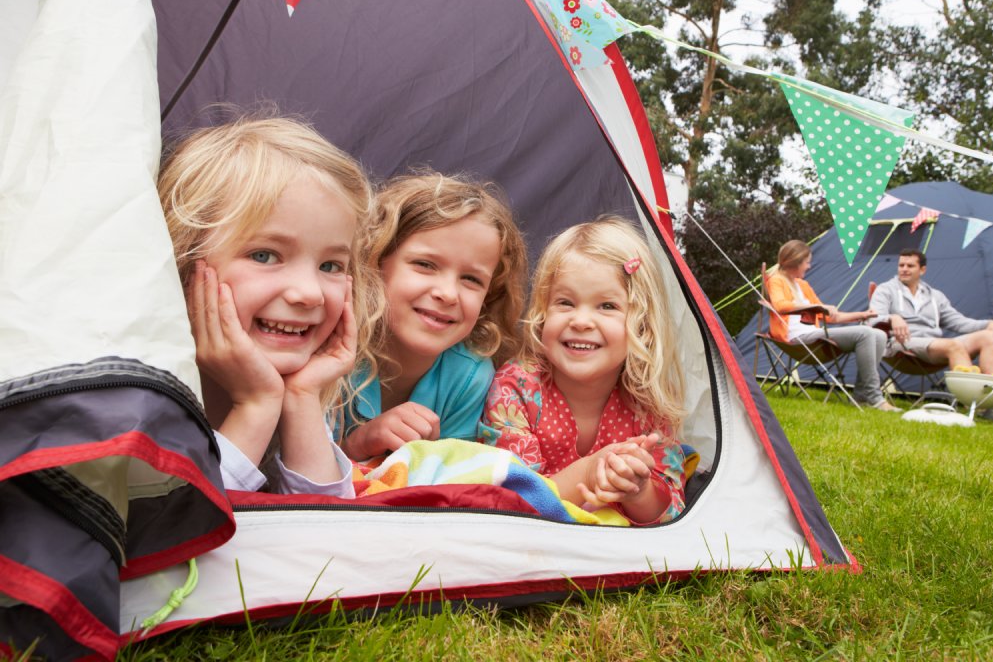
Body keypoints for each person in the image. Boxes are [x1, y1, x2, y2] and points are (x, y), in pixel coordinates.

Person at [159, 115, 379, 496]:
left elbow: (328, 541)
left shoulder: (301, 392)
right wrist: (255, 406)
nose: (308, 293)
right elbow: (174, 535)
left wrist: (303, 399)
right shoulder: (141, 405)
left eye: (330, 266)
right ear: (181, 263)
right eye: (265, 255)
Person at [477, 217, 696, 525]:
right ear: (542, 312)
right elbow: (512, 501)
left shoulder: (648, 402)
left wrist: (638, 490)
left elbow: (670, 513)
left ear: (642, 326)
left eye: (607, 306)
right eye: (565, 303)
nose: (581, 321)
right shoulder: (516, 389)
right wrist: (590, 472)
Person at [337, 173, 528, 461]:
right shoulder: (332, 348)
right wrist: (357, 446)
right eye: (425, 265)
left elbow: (448, 485)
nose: (448, 294)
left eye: (471, 279)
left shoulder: (470, 375)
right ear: (374, 262)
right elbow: (292, 475)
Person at [766, 240, 899, 412]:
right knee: (865, 334)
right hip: (796, 338)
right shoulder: (776, 280)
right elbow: (780, 306)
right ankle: (874, 397)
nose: (809, 266)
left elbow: (829, 317)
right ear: (796, 261)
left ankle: (861, 395)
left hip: (814, 334)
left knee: (878, 334)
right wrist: (816, 308)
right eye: (807, 262)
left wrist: (862, 315)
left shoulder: (803, 285)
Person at [869, 248, 993, 375]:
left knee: (990, 337)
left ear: (922, 270)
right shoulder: (885, 289)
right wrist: (892, 318)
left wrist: (988, 324)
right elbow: (873, 318)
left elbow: (958, 322)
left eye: (910, 266)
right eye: (901, 265)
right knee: (954, 345)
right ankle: (972, 398)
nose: (904, 269)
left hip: (934, 345)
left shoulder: (935, 296)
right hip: (902, 345)